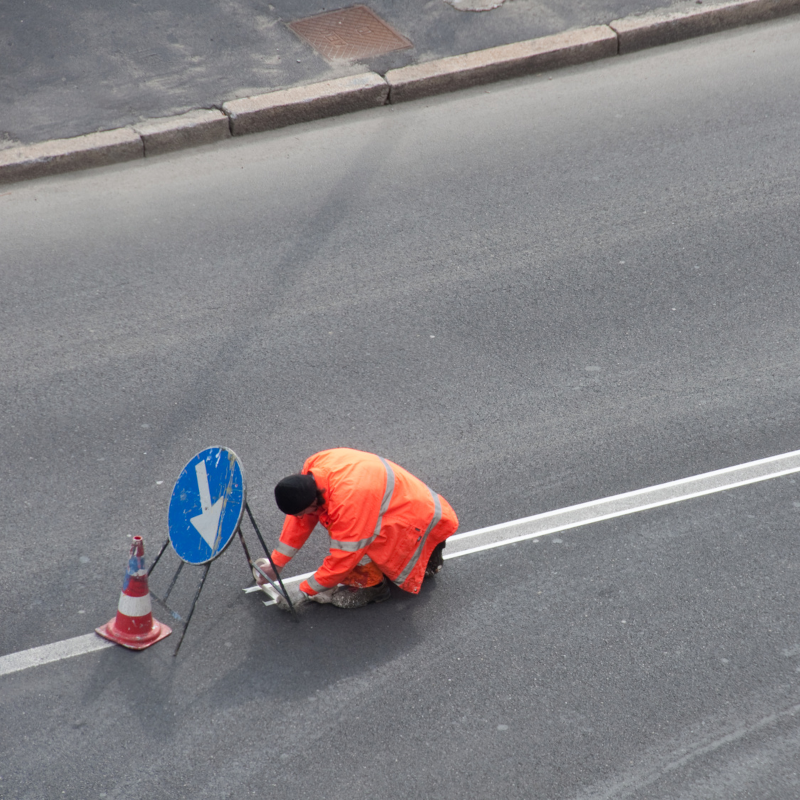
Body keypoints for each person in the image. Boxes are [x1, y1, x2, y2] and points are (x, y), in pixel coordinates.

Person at [254, 448, 458, 609]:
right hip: (409, 508)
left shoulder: (348, 504)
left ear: (312, 500)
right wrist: (276, 564)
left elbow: (344, 557)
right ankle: (425, 555)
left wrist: (305, 591)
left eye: (301, 512)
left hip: (420, 524)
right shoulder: (314, 470)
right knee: (353, 534)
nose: (299, 517)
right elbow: (300, 520)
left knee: (356, 546)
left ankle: (373, 588)